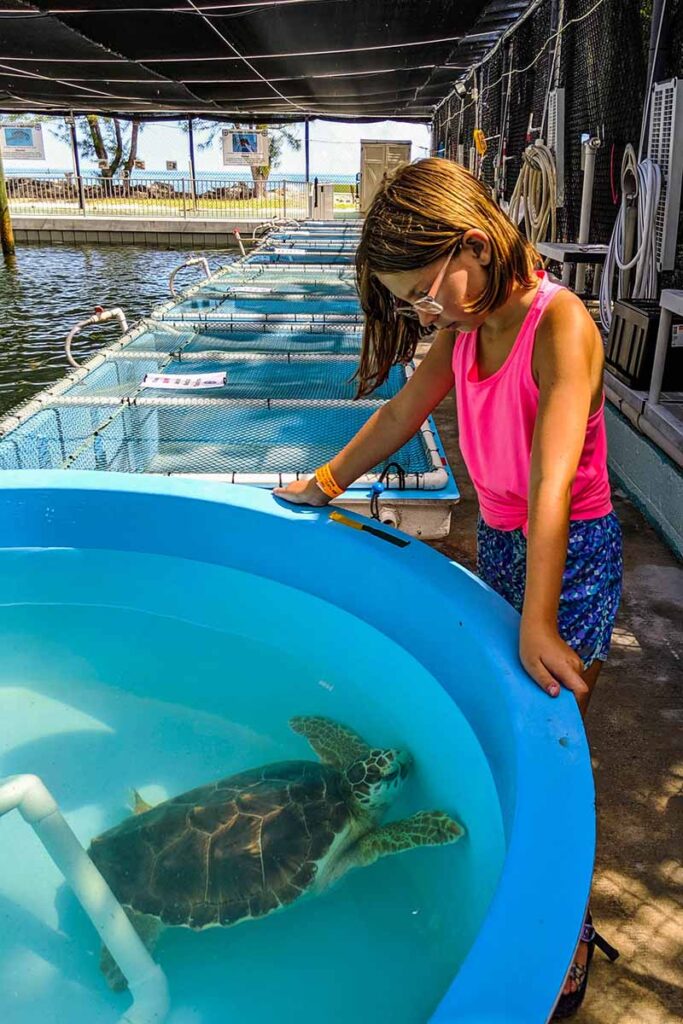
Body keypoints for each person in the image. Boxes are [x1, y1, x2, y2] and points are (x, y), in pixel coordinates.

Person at [274, 157, 622, 1018]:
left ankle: (565, 929)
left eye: (426, 291)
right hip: (509, 538)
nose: (423, 311)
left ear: (472, 243)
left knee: (550, 744)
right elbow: (400, 414)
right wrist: (324, 481)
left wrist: (538, 620)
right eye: (410, 302)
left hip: (570, 553)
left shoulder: (560, 327)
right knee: (501, 721)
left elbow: (552, 483)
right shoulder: (463, 329)